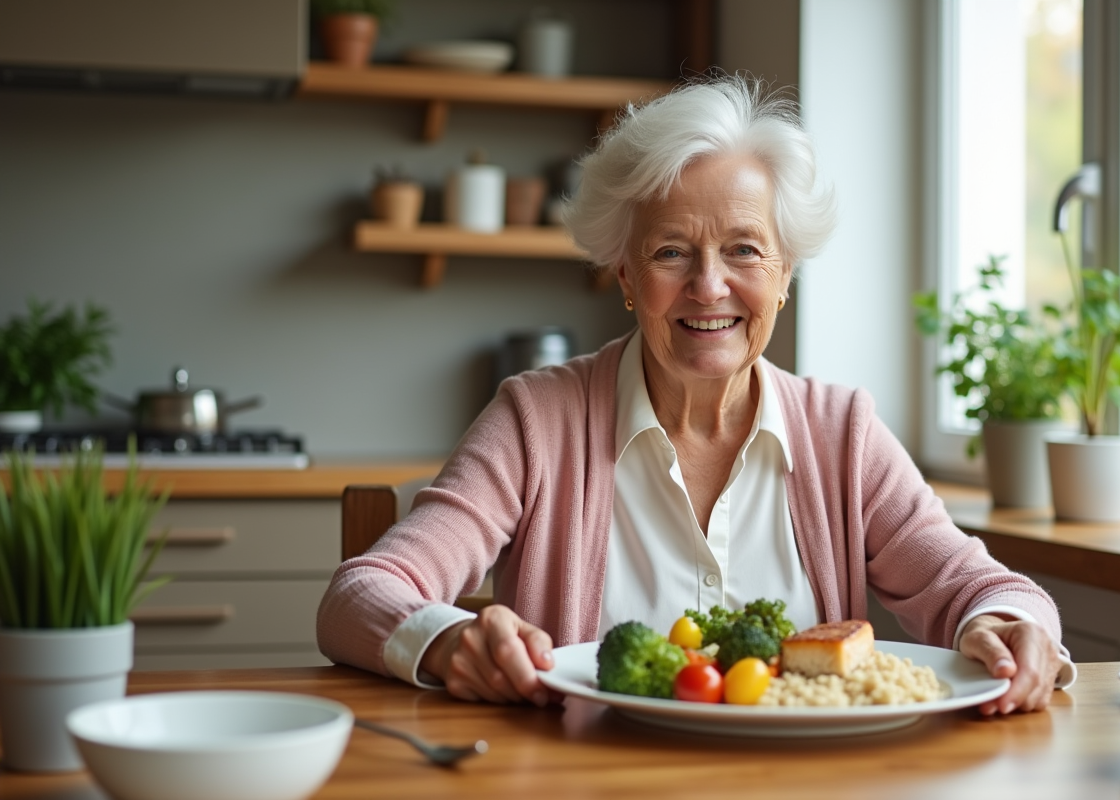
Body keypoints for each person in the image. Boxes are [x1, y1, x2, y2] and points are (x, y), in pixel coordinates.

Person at [316, 75, 1074, 716]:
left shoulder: (842, 431)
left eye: (744, 250)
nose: (709, 286)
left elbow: (980, 587)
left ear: (784, 278)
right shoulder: (537, 420)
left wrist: (1005, 626)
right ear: (624, 277)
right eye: (671, 251)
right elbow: (361, 594)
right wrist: (449, 639)